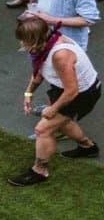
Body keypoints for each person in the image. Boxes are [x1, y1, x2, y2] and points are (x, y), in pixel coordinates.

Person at [11, 13, 101, 185]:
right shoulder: (47, 42)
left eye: (25, 40)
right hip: (63, 89)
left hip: (81, 94)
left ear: (35, 39)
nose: (22, 44)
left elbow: (72, 91)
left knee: (43, 130)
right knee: (64, 122)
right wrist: (28, 93)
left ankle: (40, 171)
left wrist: (52, 109)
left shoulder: (60, 55)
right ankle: (88, 147)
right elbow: (40, 70)